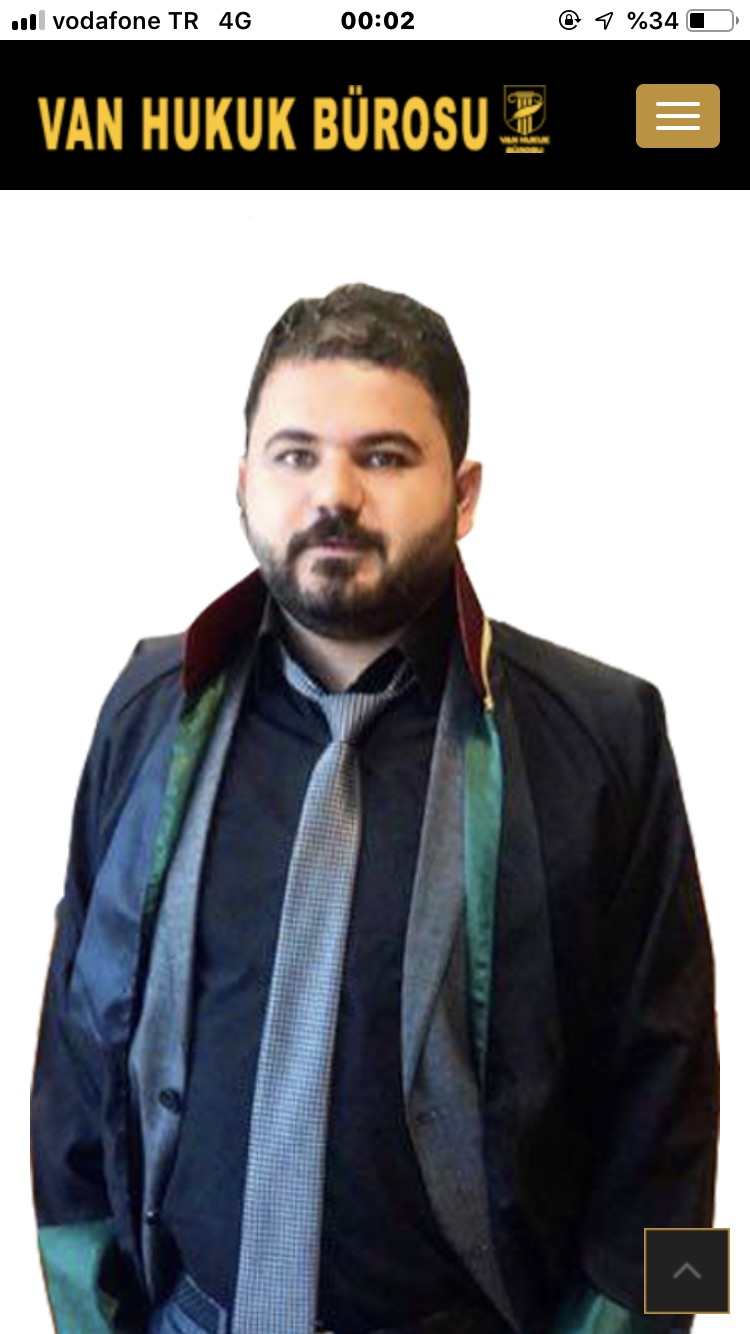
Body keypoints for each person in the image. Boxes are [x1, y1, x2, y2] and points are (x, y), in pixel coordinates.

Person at [31, 284, 719, 1334]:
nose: (334, 494)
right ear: (244, 480)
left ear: (465, 492)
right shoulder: (148, 711)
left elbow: (676, 1122)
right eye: (295, 454)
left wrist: (665, 1317)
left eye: (386, 457)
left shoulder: (605, 738)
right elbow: (74, 1060)